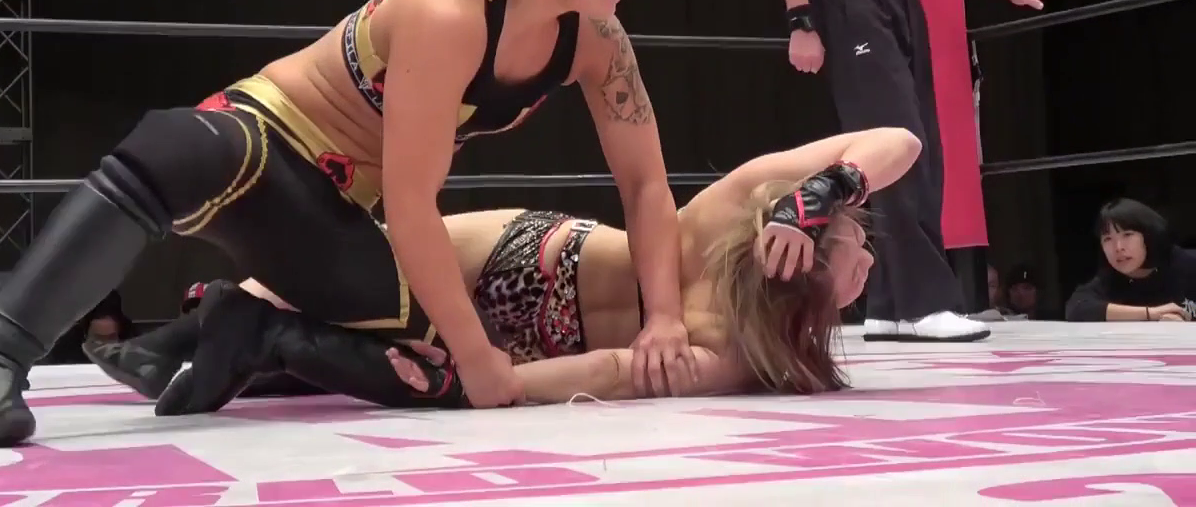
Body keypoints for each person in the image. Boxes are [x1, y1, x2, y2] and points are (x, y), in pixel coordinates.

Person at [0, 0, 696, 449]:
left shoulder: (598, 42)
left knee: (442, 370)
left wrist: (663, 315)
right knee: (177, 145)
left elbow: (647, 186)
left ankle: (252, 334)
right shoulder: (452, 6)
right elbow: (413, 202)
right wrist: (477, 354)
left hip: (331, 220)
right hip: (264, 147)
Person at [89, 127, 920, 412]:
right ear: (812, 254)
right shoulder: (730, 227)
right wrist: (829, 186)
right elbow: (900, 141)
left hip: (532, 288)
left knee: (357, 341)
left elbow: (615, 372)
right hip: (534, 266)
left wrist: (493, 383)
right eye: (860, 245)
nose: (870, 261)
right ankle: (186, 338)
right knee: (364, 286)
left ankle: (217, 335)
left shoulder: (743, 340)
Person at [776, 0, 1077, 342]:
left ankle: (891, 305)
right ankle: (924, 302)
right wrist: (800, 21)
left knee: (922, 147)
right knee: (899, 139)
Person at [1065, 198, 1196, 322]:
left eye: (1127, 235)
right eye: (1107, 239)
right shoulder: (1110, 279)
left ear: (1148, 236)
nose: (1118, 247)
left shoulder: (1186, 263)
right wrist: (1151, 314)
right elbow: (1077, 308)